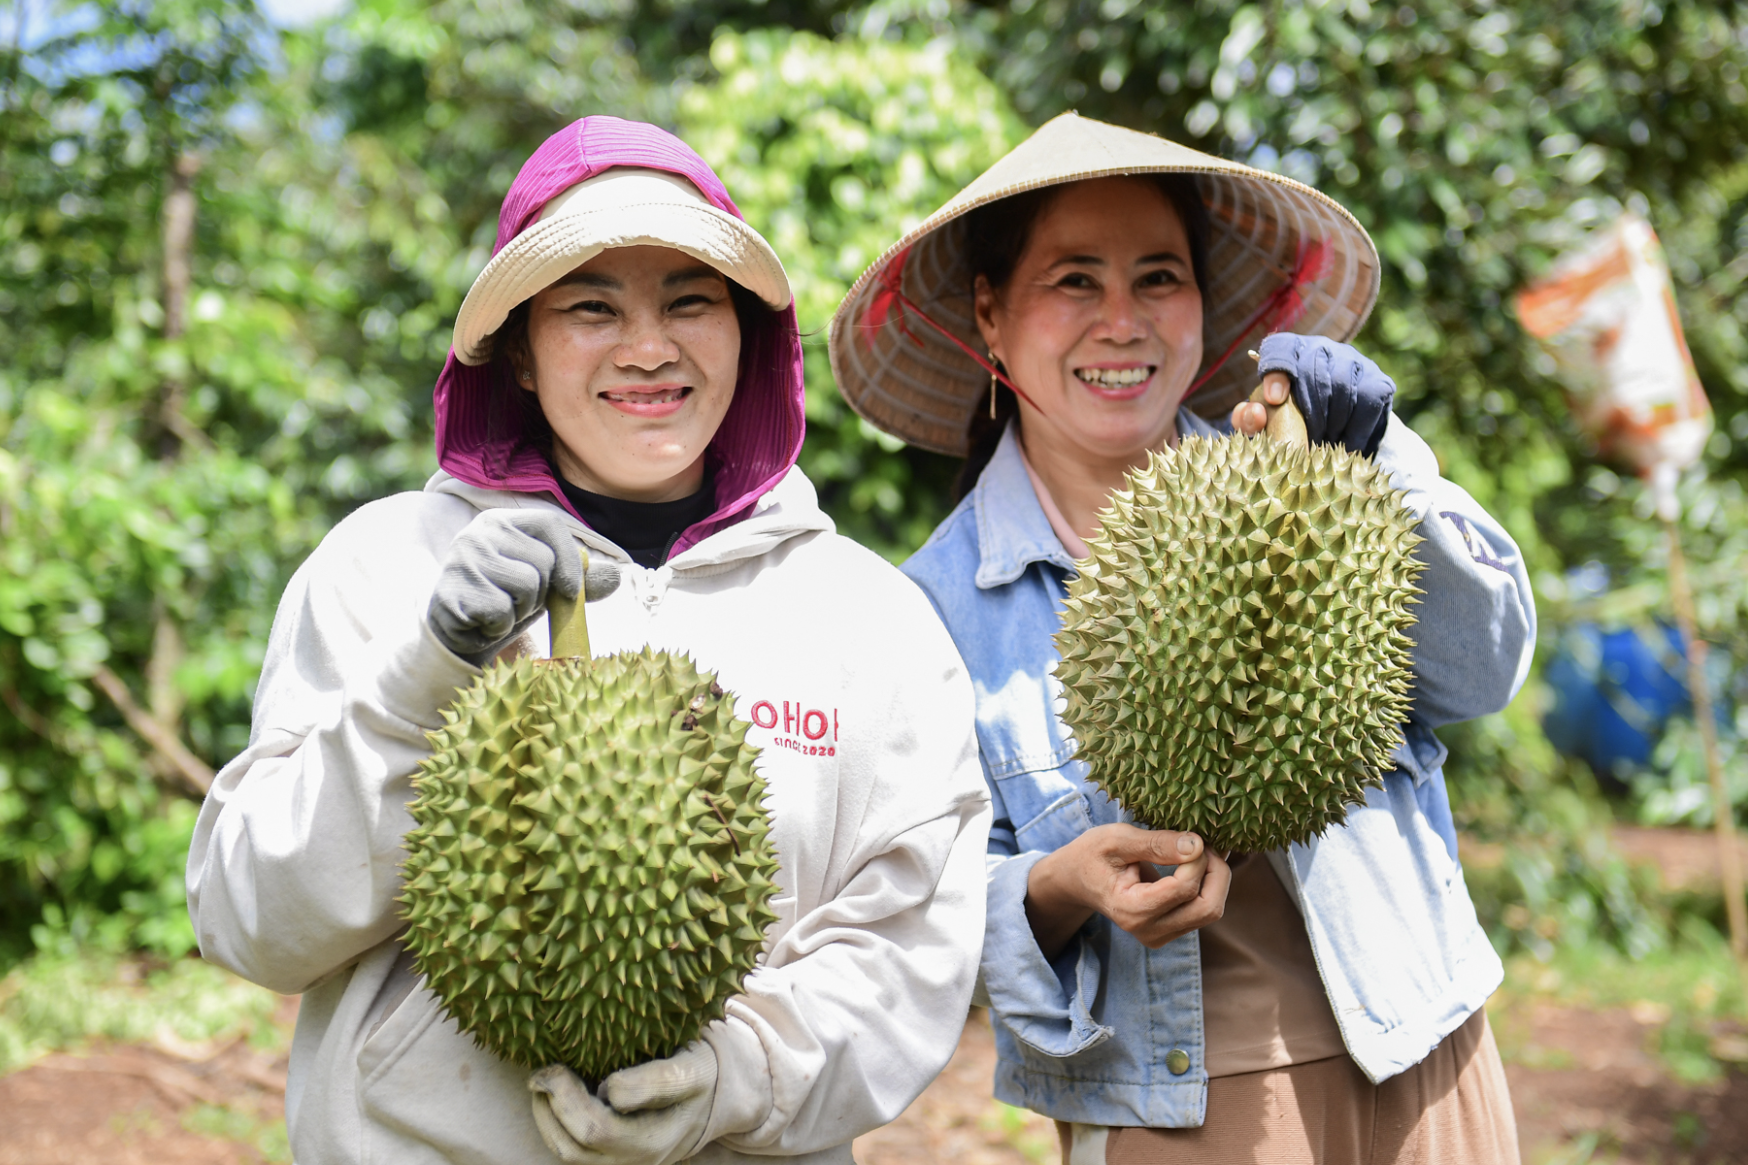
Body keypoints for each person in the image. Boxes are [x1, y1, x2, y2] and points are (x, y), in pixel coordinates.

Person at [186, 116, 990, 1165]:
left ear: (746, 333)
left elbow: (907, 948)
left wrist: (734, 1077)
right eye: (589, 307)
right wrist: (419, 679)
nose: (647, 348)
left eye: (690, 302)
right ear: (518, 347)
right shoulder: (383, 566)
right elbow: (253, 923)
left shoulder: (864, 615)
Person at [828, 112, 1534, 1163]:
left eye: (1157, 277)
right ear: (990, 314)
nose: (1122, 320)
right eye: (1074, 280)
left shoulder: (1318, 480)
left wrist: (1377, 455)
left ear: (1201, 308)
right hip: (1180, 1115)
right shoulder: (928, 607)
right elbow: (914, 897)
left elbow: (1481, 670)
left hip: (1425, 1050)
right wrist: (1062, 882)